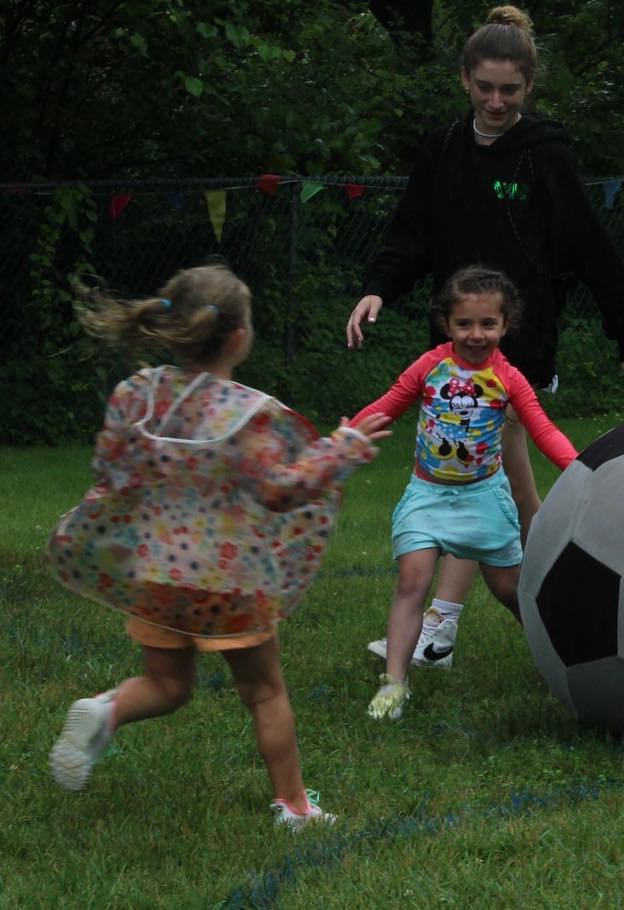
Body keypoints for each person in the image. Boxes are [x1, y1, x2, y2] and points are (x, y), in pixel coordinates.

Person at [348, 5, 624, 668]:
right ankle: (533, 618)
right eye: (484, 86)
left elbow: (588, 246)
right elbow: (410, 232)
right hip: (457, 342)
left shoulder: (545, 154)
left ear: (528, 89)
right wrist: (378, 286)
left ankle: (467, 623)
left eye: (508, 90)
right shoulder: (443, 149)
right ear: (463, 80)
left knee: (485, 479)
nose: (495, 100)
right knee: (496, 489)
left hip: (519, 340)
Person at [47, 264, 392, 828]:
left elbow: (115, 468)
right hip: (231, 584)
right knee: (263, 693)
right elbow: (280, 490)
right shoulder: (246, 415)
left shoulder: (142, 396)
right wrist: (342, 450)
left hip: (157, 575)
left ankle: (106, 710)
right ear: (238, 337)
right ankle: (295, 807)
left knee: (165, 684)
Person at [352, 266, 577, 721]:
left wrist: (580, 468)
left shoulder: (510, 379)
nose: (476, 335)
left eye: (488, 324)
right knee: (412, 581)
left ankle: (563, 662)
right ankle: (394, 684)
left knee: (511, 592)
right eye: (465, 324)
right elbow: (387, 405)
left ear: (504, 325)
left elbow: (543, 430)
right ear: (447, 324)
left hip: (484, 500)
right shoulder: (430, 366)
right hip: (427, 496)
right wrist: (346, 437)